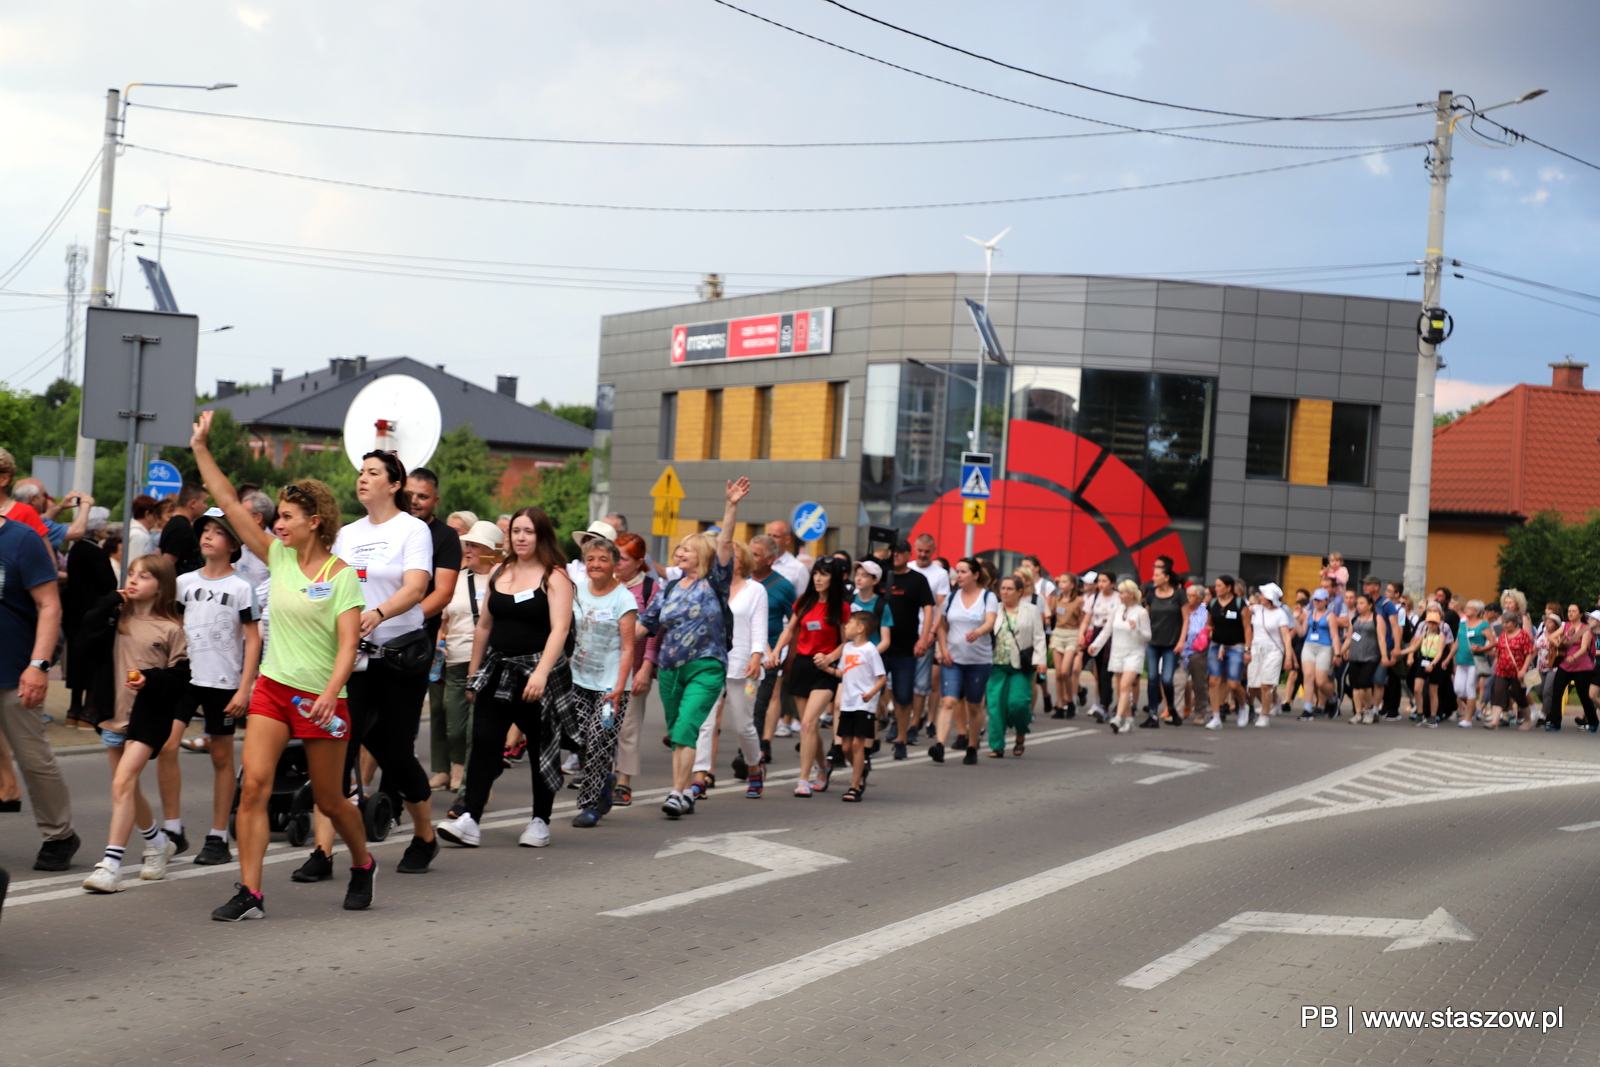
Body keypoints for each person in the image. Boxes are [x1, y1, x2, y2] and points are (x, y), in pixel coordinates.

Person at [191, 411, 374, 918]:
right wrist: (202, 448)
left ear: (314, 521)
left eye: (288, 517)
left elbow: (348, 646)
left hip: (323, 699)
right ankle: (251, 893)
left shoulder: (342, 577)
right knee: (254, 787)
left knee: (332, 800)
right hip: (273, 689)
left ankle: (362, 864)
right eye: (277, 519)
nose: (278, 525)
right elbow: (229, 503)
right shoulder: (279, 557)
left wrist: (328, 694)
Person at [302, 450, 439, 878]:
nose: (363, 478)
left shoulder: (412, 530)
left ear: (394, 484)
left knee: (396, 753)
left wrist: (378, 614)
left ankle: (425, 836)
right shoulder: (345, 534)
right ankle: (323, 853)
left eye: (373, 472)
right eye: (361, 472)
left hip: (398, 658)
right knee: (337, 749)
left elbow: (416, 588)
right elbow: (329, 585)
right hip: (353, 660)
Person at [437, 506, 576, 847]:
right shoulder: (500, 571)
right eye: (516, 531)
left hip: (538, 675)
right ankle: (470, 817)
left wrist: (541, 673)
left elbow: (560, 629)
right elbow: (484, 625)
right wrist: (474, 674)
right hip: (497, 671)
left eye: (528, 531)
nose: (521, 537)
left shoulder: (554, 576)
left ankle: (540, 821)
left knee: (542, 748)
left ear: (541, 535)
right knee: (483, 743)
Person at [79, 555, 192, 893]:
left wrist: (150, 680)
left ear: (161, 586)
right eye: (131, 574)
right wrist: (112, 598)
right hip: (113, 714)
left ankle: (110, 866)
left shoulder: (171, 628)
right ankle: (158, 843)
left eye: (144, 576)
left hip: (149, 717)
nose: (134, 580)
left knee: (123, 782)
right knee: (127, 788)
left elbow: (181, 677)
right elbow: (85, 631)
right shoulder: (116, 617)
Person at [641, 479, 750, 816]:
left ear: (701, 554)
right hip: (671, 669)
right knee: (678, 731)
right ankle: (687, 789)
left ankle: (676, 793)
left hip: (706, 666)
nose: (679, 552)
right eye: (679, 549)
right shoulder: (670, 587)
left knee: (687, 726)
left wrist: (731, 505)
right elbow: (646, 624)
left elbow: (727, 542)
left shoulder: (715, 581)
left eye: (686, 548)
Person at [175, 511, 262, 865]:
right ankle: (170, 829)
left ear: (234, 545)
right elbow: (172, 625)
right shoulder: (183, 582)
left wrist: (245, 688)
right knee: (166, 744)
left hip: (223, 682)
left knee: (221, 757)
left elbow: (253, 641)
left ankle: (217, 836)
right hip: (185, 677)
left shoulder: (242, 588)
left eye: (217, 532)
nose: (208, 537)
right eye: (205, 531)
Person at [0, 500, 77, 872]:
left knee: (33, 761)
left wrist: (38, 665)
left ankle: (59, 834)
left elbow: (49, 605)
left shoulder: (21, 539)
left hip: (14, 671)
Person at [566, 535, 638, 827]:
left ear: (615, 565)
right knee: (580, 739)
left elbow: (629, 647)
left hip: (611, 686)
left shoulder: (624, 598)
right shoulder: (577, 592)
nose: (596, 565)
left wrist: (620, 688)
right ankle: (605, 779)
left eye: (603, 560)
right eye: (591, 559)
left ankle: (591, 805)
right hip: (578, 680)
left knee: (599, 740)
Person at [769, 554, 848, 795]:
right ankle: (823, 767)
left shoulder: (841, 607)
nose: (818, 578)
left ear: (834, 579)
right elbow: (789, 630)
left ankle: (803, 779)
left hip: (824, 669)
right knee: (808, 727)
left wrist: (830, 658)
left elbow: (847, 642)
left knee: (809, 722)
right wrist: (775, 651)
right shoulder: (804, 601)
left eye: (824, 574)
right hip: (802, 666)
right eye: (816, 573)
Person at [695, 541, 766, 799]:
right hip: (712, 662)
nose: (727, 561)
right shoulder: (710, 587)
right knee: (706, 722)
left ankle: (754, 767)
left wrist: (757, 656)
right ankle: (699, 777)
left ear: (743, 560)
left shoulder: (756, 590)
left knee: (743, 726)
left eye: (733, 557)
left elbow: (759, 627)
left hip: (744, 666)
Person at [406, 467, 463, 788]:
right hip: (368, 634)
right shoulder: (387, 527)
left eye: (423, 497)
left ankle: (399, 794)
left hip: (414, 640)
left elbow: (442, 593)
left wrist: (399, 618)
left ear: (435, 500)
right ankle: (361, 790)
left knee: (404, 724)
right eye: (410, 494)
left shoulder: (445, 537)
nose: (415, 501)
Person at [436, 520, 501, 796]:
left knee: (481, 730)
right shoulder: (457, 579)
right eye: (468, 545)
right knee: (455, 727)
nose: (468, 549)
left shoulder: (504, 579)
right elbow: (443, 619)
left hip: (493, 662)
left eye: (475, 545)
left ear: (490, 550)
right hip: (456, 660)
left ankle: (469, 785)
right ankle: (460, 767)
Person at [610, 532, 660, 808]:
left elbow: (655, 631)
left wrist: (646, 667)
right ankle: (600, 774)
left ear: (640, 561)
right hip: (602, 667)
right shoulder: (605, 583)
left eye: (624, 559)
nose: (617, 563)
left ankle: (624, 781)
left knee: (628, 725)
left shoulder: (650, 589)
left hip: (634, 668)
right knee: (603, 723)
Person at [933, 557, 997, 765]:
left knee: (974, 706)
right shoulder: (951, 599)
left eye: (963, 572)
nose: (958, 576)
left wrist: (978, 632)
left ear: (975, 575)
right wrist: (943, 649)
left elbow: (990, 622)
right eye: (957, 572)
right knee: (949, 701)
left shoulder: (988, 597)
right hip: (953, 660)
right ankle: (940, 745)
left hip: (979, 660)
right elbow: (941, 626)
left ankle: (971, 746)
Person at [882, 541, 935, 759]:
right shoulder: (882, 577)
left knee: (904, 697)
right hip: (879, 646)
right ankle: (872, 736)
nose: (895, 557)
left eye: (900, 553)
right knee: (873, 691)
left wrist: (924, 638)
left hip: (906, 649)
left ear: (907, 555)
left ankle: (901, 739)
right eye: (892, 553)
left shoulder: (917, 580)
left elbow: (929, 609)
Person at [827, 611, 885, 802]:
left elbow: (882, 677)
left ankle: (854, 786)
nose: (845, 626)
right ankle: (860, 772)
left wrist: (871, 693)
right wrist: (824, 667)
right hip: (848, 702)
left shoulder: (870, 650)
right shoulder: (847, 648)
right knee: (845, 747)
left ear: (860, 628)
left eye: (850, 623)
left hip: (864, 703)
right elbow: (842, 672)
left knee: (857, 744)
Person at [987, 574, 1046, 753]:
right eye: (1002, 588)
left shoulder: (1031, 610)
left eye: (1009, 588)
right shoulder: (993, 609)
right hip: (996, 664)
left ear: (1020, 591)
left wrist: (1040, 661)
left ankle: (1021, 732)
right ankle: (997, 746)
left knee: (1018, 704)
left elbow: (1039, 636)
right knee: (996, 707)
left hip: (1021, 666)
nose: (1004, 592)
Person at [1087, 579, 1151, 734]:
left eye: (1122, 592)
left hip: (1134, 654)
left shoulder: (1141, 612)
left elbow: (1148, 636)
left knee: (1124, 686)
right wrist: (1095, 645)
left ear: (1130, 594)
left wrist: (1137, 630)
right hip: (1117, 652)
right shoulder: (1117, 609)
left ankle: (1117, 717)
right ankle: (1129, 720)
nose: (1119, 595)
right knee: (1121, 689)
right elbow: (1107, 630)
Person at [906, 534, 950, 741]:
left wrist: (932, 632)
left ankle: (915, 723)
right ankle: (901, 721)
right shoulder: (907, 567)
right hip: (904, 631)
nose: (923, 555)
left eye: (927, 551)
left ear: (934, 550)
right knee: (899, 678)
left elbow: (940, 606)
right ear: (914, 548)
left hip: (925, 632)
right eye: (920, 550)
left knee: (921, 682)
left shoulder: (939, 574)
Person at [1205, 575, 1252, 728]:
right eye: (1216, 585)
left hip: (1236, 647)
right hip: (1216, 646)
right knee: (1214, 681)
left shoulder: (1239, 604)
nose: (1216, 588)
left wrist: (1247, 650)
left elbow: (1247, 628)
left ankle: (1243, 707)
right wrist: (1209, 631)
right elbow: (1209, 623)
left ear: (1228, 587)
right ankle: (1216, 716)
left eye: (1219, 585)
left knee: (1233, 684)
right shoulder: (1213, 603)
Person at [1294, 588, 1345, 723]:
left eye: (1319, 600)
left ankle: (1332, 699)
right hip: (1309, 646)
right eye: (1315, 600)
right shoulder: (1309, 613)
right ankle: (1307, 708)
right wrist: (1295, 619)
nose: (1316, 602)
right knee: (1308, 676)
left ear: (1326, 601)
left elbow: (1335, 636)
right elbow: (1302, 632)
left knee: (1321, 681)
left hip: (1324, 647)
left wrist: (1338, 653)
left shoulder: (1330, 615)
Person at [1247, 583, 1294, 727]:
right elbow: (1240, 611)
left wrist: (1288, 657)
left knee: (1266, 685)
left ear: (1269, 598)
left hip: (1274, 650)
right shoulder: (1256, 609)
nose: (1260, 597)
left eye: (1263, 594)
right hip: (1256, 649)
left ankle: (1264, 714)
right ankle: (1272, 703)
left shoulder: (1280, 613)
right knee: (1253, 686)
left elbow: (1286, 637)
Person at [1143, 560, 1184, 725]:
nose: (1153, 578)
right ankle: (1153, 715)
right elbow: (1145, 617)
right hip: (1153, 643)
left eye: (1157, 575)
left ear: (1166, 577)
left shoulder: (1179, 594)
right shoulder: (1151, 595)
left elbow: (1186, 619)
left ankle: (1172, 708)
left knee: (1167, 679)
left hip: (1172, 644)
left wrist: (1181, 641)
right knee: (1152, 678)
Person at [1545, 604, 1596, 732]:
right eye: (1569, 611)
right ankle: (1555, 723)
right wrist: (1560, 640)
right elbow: (1550, 636)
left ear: (1580, 614)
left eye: (1574, 611)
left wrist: (1574, 656)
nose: (1571, 613)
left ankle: (1593, 722)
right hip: (1565, 665)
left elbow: (1584, 648)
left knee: (1583, 695)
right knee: (1557, 692)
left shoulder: (1586, 629)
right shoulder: (1566, 626)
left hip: (1582, 667)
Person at [1487, 611, 1534, 729]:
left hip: (1517, 672)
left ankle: (1528, 719)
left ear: (1514, 623)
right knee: (1498, 693)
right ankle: (1494, 722)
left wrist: (1523, 669)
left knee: (1519, 696)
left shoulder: (1523, 635)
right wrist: (1497, 659)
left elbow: (1529, 653)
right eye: (1503, 622)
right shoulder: (1503, 635)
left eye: (1507, 622)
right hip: (1502, 670)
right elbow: (1500, 648)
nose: (1505, 625)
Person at [1343, 593, 1382, 724]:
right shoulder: (1355, 619)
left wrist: (1385, 656)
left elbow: (1381, 638)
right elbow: (1349, 637)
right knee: (1355, 686)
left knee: (1365, 684)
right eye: (1358, 603)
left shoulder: (1377, 619)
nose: (1358, 605)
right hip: (1355, 655)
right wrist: (1339, 652)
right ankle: (1358, 713)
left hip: (1371, 656)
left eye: (1362, 603)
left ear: (1370, 605)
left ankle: (1369, 709)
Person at [1174, 581, 1209, 724]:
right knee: (1179, 683)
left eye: (1192, 596)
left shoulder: (1205, 614)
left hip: (1198, 653)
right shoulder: (1180, 610)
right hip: (1181, 652)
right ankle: (1177, 713)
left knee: (1199, 685)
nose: (1188, 598)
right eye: (1187, 595)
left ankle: (1200, 713)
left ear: (1200, 598)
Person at [1453, 600, 1491, 727]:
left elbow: (1493, 642)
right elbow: (1457, 642)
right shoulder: (1463, 624)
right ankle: (1474, 709)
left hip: (1475, 661)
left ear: (1477, 611)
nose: (1466, 609)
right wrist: (1448, 658)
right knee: (1458, 689)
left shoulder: (1483, 625)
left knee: (1470, 687)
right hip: (1461, 660)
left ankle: (1468, 719)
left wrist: (1481, 649)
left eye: (1469, 608)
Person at [158, 484, 209, 576]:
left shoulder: (175, 524)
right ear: (193, 503)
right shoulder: (180, 527)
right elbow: (167, 563)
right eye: (204, 502)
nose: (206, 506)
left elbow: (158, 552)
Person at [763, 519, 810, 594]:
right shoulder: (758, 563)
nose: (770, 540)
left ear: (787, 540)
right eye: (768, 535)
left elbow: (802, 600)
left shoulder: (798, 569)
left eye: (776, 536)